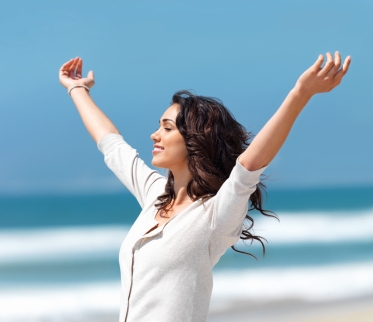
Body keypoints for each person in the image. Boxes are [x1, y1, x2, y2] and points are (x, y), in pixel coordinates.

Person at [59, 52, 351, 322]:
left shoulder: (215, 215)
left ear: (195, 141)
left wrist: (301, 94)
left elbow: (248, 166)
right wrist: (77, 89)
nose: (154, 135)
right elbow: (112, 145)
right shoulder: (156, 196)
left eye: (167, 128)